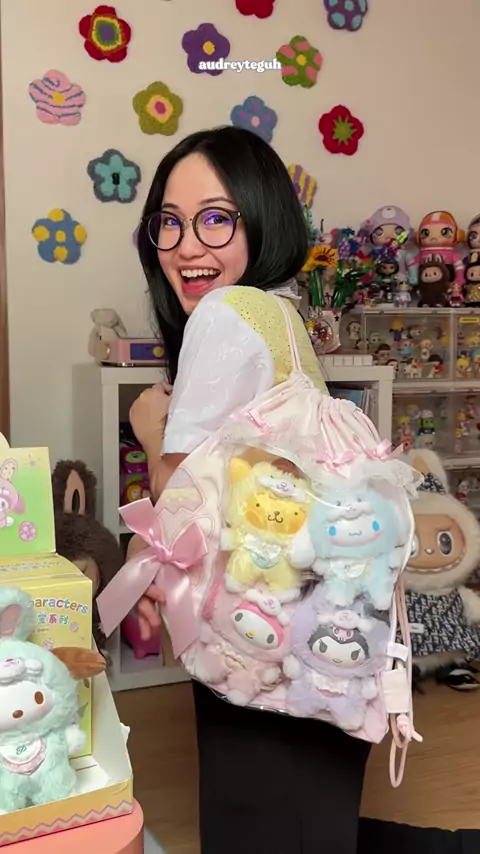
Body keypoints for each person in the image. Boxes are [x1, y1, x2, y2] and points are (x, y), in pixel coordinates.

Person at [128, 126, 371, 854]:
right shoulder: (282, 316)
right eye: (169, 222)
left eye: (215, 218)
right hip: (319, 639)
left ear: (262, 217)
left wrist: (149, 432)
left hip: (256, 643)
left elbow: (182, 505)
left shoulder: (226, 313)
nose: (185, 246)